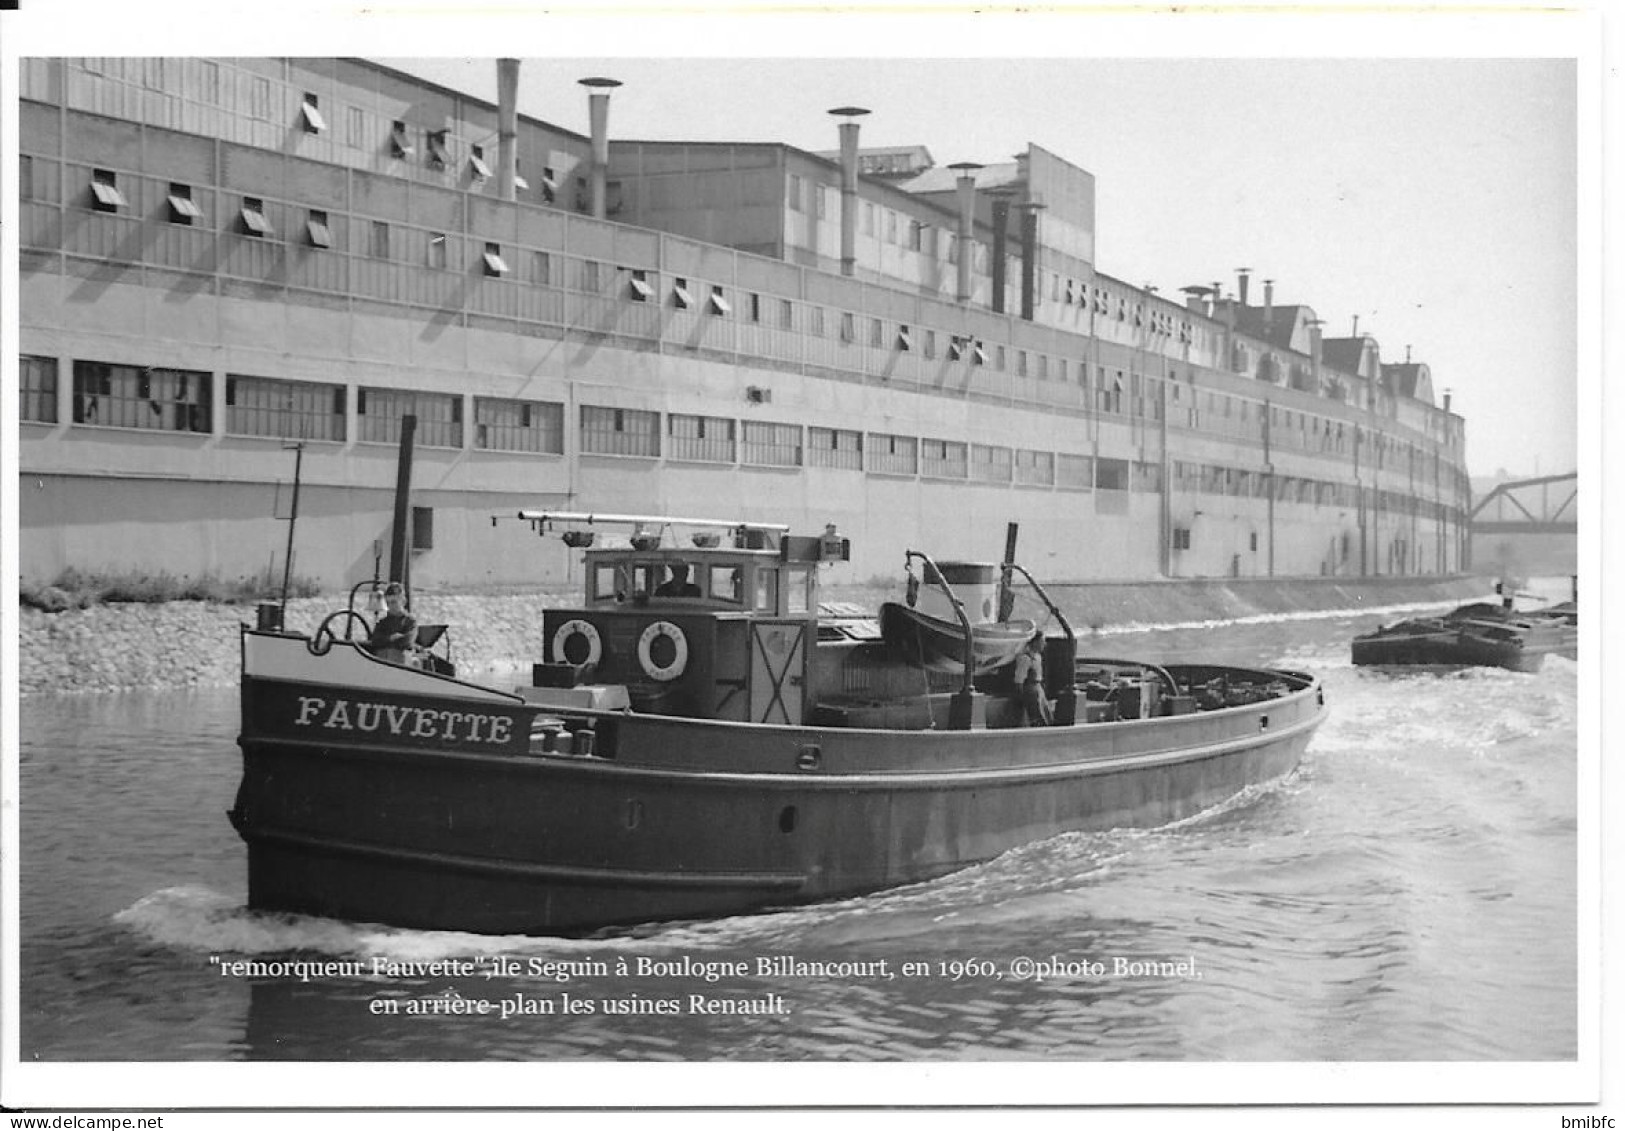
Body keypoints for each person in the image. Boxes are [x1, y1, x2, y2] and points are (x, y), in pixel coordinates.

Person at [367, 582, 419, 664]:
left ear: (403, 601)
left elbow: (407, 641)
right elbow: (375, 641)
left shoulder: (410, 622)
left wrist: (386, 641)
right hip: (382, 664)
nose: (390, 606)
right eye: (388, 603)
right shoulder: (382, 623)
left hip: (402, 666)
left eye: (394, 602)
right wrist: (391, 638)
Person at [1013, 632, 1054, 727]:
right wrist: (1020, 696)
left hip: (1039, 688)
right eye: (1042, 641)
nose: (1044, 644)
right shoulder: (1025, 658)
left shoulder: (1038, 657)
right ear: (1035, 642)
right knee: (1036, 715)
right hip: (1030, 689)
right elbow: (1019, 680)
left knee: (1046, 714)